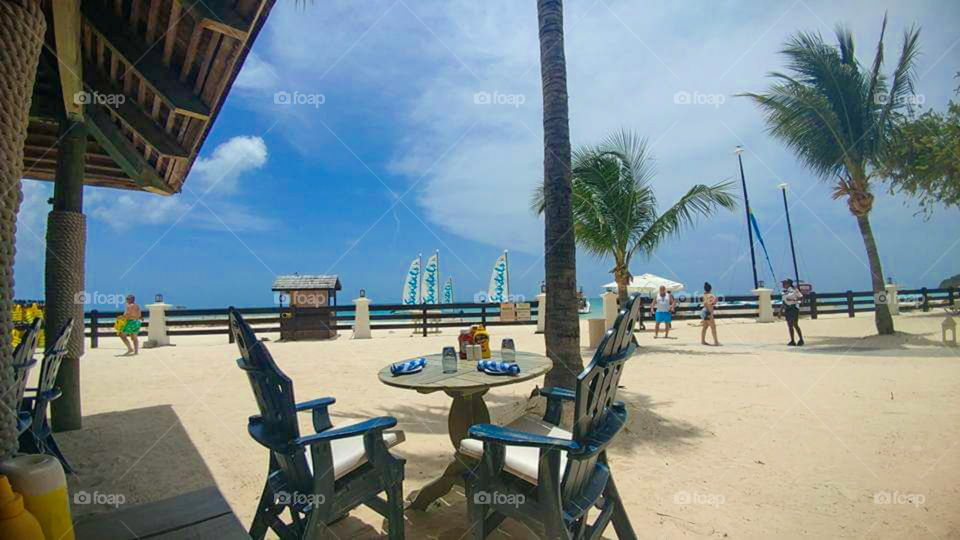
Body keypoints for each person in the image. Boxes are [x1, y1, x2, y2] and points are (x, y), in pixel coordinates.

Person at [781, 278, 805, 346]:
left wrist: (794, 300)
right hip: (787, 309)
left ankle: (801, 340)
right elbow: (783, 302)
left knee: (795, 324)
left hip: (794, 308)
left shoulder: (795, 290)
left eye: (784, 283)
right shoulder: (784, 292)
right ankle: (792, 340)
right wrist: (780, 311)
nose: (783, 284)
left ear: (788, 283)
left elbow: (801, 298)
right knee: (789, 325)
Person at [700, 282, 720, 346]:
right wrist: (715, 299)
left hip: (704, 312)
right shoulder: (710, 295)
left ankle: (703, 341)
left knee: (705, 327)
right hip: (708, 313)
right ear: (710, 289)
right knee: (713, 327)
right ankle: (716, 342)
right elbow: (711, 304)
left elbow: (706, 303)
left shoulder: (704, 295)